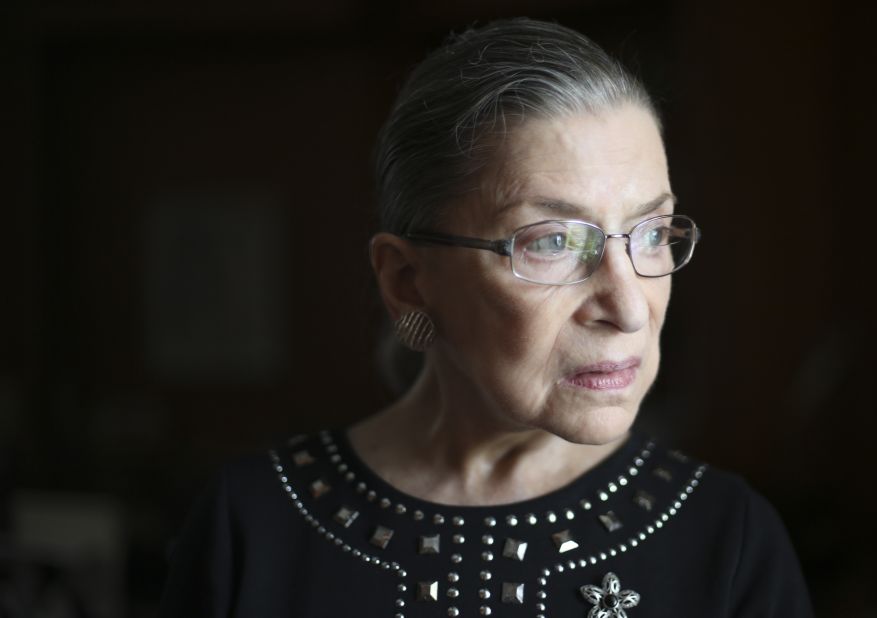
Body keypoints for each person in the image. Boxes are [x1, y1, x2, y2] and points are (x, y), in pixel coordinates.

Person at [161, 17, 813, 617]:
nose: (627, 307)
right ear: (408, 281)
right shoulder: (252, 526)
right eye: (552, 241)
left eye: (650, 232)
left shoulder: (727, 540)